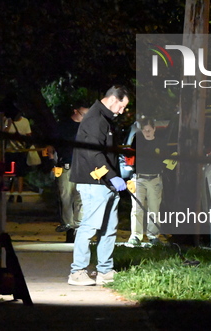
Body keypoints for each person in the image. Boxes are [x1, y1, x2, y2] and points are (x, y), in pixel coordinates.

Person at [67, 85, 130, 286]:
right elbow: (93, 153)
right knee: (90, 226)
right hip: (94, 182)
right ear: (113, 99)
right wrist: (112, 177)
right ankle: (77, 272)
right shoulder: (95, 120)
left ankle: (105, 271)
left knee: (109, 228)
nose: (122, 111)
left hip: (105, 183)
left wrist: (115, 178)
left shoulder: (105, 119)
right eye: (122, 106)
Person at [127, 117, 164, 246]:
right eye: (144, 130)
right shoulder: (138, 141)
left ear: (154, 129)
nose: (147, 132)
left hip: (155, 178)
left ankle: (153, 236)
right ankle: (136, 235)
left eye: (149, 130)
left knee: (154, 209)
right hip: (139, 178)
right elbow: (130, 156)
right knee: (137, 208)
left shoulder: (160, 142)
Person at [54, 103, 89, 234]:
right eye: (83, 114)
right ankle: (68, 224)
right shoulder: (63, 127)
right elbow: (55, 144)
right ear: (75, 111)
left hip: (83, 167)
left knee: (81, 197)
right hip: (67, 166)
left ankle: (78, 225)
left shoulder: (88, 127)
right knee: (66, 196)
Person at [3, 109, 32, 203]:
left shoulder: (23, 121)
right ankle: (13, 193)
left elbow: (28, 135)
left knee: (19, 173)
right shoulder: (10, 121)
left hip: (18, 150)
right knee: (13, 173)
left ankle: (18, 194)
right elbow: (4, 133)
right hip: (12, 150)